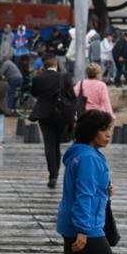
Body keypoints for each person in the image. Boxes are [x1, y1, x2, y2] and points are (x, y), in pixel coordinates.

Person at [50, 109, 118, 254]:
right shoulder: (89, 157)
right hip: (85, 225)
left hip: (73, 222)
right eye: (104, 130)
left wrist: (104, 190)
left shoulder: (80, 153)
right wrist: (83, 230)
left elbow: (88, 188)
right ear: (91, 132)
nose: (108, 134)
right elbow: (84, 194)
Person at [30, 55, 76, 188]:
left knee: (49, 144)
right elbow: (72, 96)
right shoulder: (64, 77)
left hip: (44, 115)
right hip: (61, 115)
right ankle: (56, 171)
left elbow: (34, 93)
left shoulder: (38, 78)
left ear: (44, 65)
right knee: (56, 144)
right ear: (56, 64)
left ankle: (53, 175)